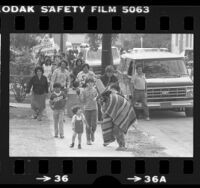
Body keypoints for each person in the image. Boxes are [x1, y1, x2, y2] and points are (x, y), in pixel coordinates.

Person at [77, 78, 98, 145]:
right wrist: (79, 95)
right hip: (87, 109)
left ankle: (92, 133)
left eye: (92, 82)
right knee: (88, 125)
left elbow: (98, 98)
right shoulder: (84, 91)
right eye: (89, 83)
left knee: (94, 124)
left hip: (94, 109)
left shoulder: (95, 90)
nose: (90, 84)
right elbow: (82, 101)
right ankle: (88, 139)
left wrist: (96, 98)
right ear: (86, 84)